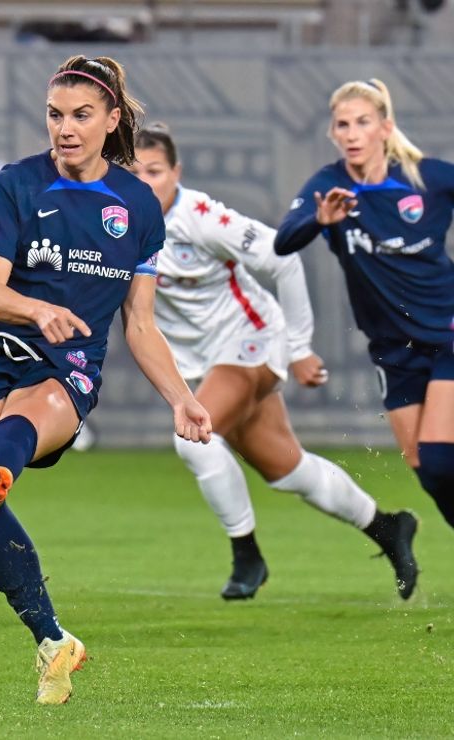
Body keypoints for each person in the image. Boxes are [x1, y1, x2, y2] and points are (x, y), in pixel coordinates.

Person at [0, 55, 211, 705]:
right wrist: (37, 308)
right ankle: (53, 642)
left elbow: (139, 324)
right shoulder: (16, 185)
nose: (66, 128)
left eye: (81, 115)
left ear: (111, 120)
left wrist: (183, 397)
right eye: (55, 115)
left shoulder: (137, 207)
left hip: (66, 363)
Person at [130, 123, 418, 601]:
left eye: (154, 171)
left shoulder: (201, 217)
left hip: (250, 343)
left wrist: (299, 347)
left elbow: (283, 258)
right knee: (290, 471)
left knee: (194, 438)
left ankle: (248, 556)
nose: (144, 183)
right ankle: (388, 527)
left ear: (176, 173)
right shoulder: (115, 225)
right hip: (198, 364)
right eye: (133, 172)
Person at [275, 79, 454, 531]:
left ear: (385, 128)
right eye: (342, 125)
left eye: (362, 122)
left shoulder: (426, 178)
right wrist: (320, 219)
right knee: (425, 467)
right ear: (333, 134)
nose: (352, 133)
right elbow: (284, 241)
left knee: (438, 455)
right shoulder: (330, 185)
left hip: (446, 333)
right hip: (393, 347)